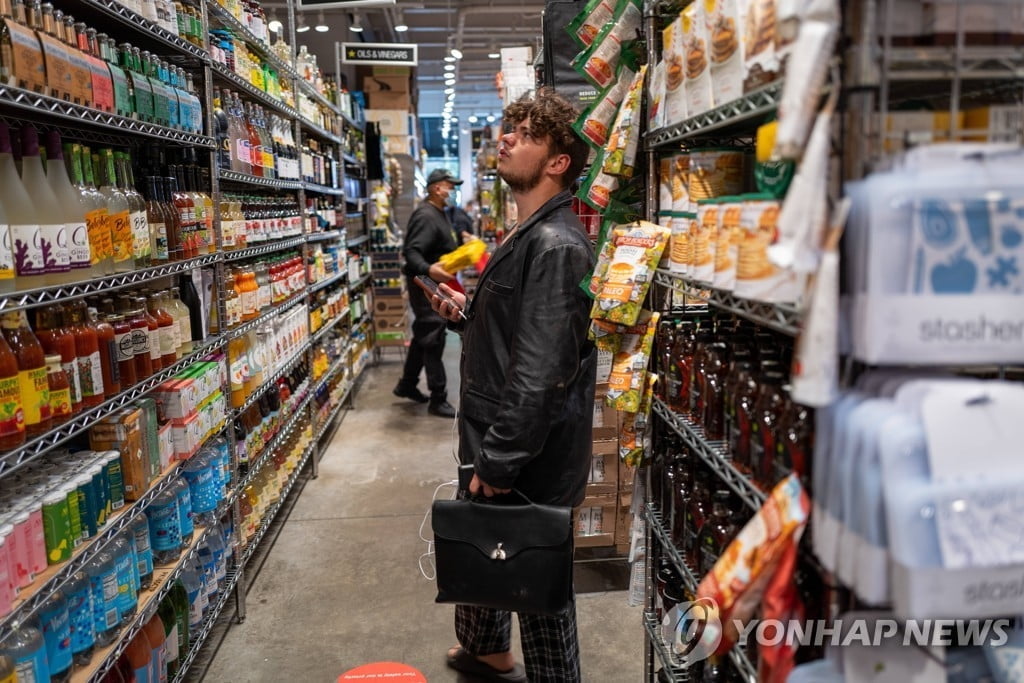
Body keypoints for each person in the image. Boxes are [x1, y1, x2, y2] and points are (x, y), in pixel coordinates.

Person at [428, 88, 595, 683]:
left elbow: (542, 372)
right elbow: (523, 334)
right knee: (484, 541)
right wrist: (470, 314)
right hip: (498, 431)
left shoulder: (555, 245)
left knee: (534, 573)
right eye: (509, 127)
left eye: (524, 133)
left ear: (557, 162)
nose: (506, 138)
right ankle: (488, 650)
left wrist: (498, 462)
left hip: (526, 450)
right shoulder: (531, 231)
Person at [393, 168, 462, 418]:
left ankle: (407, 384)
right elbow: (411, 252)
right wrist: (429, 268)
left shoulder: (438, 213)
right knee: (433, 336)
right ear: (436, 188)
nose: (452, 191)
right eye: (449, 185)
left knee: (424, 333)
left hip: (434, 283)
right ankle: (438, 397)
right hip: (425, 285)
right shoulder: (425, 215)